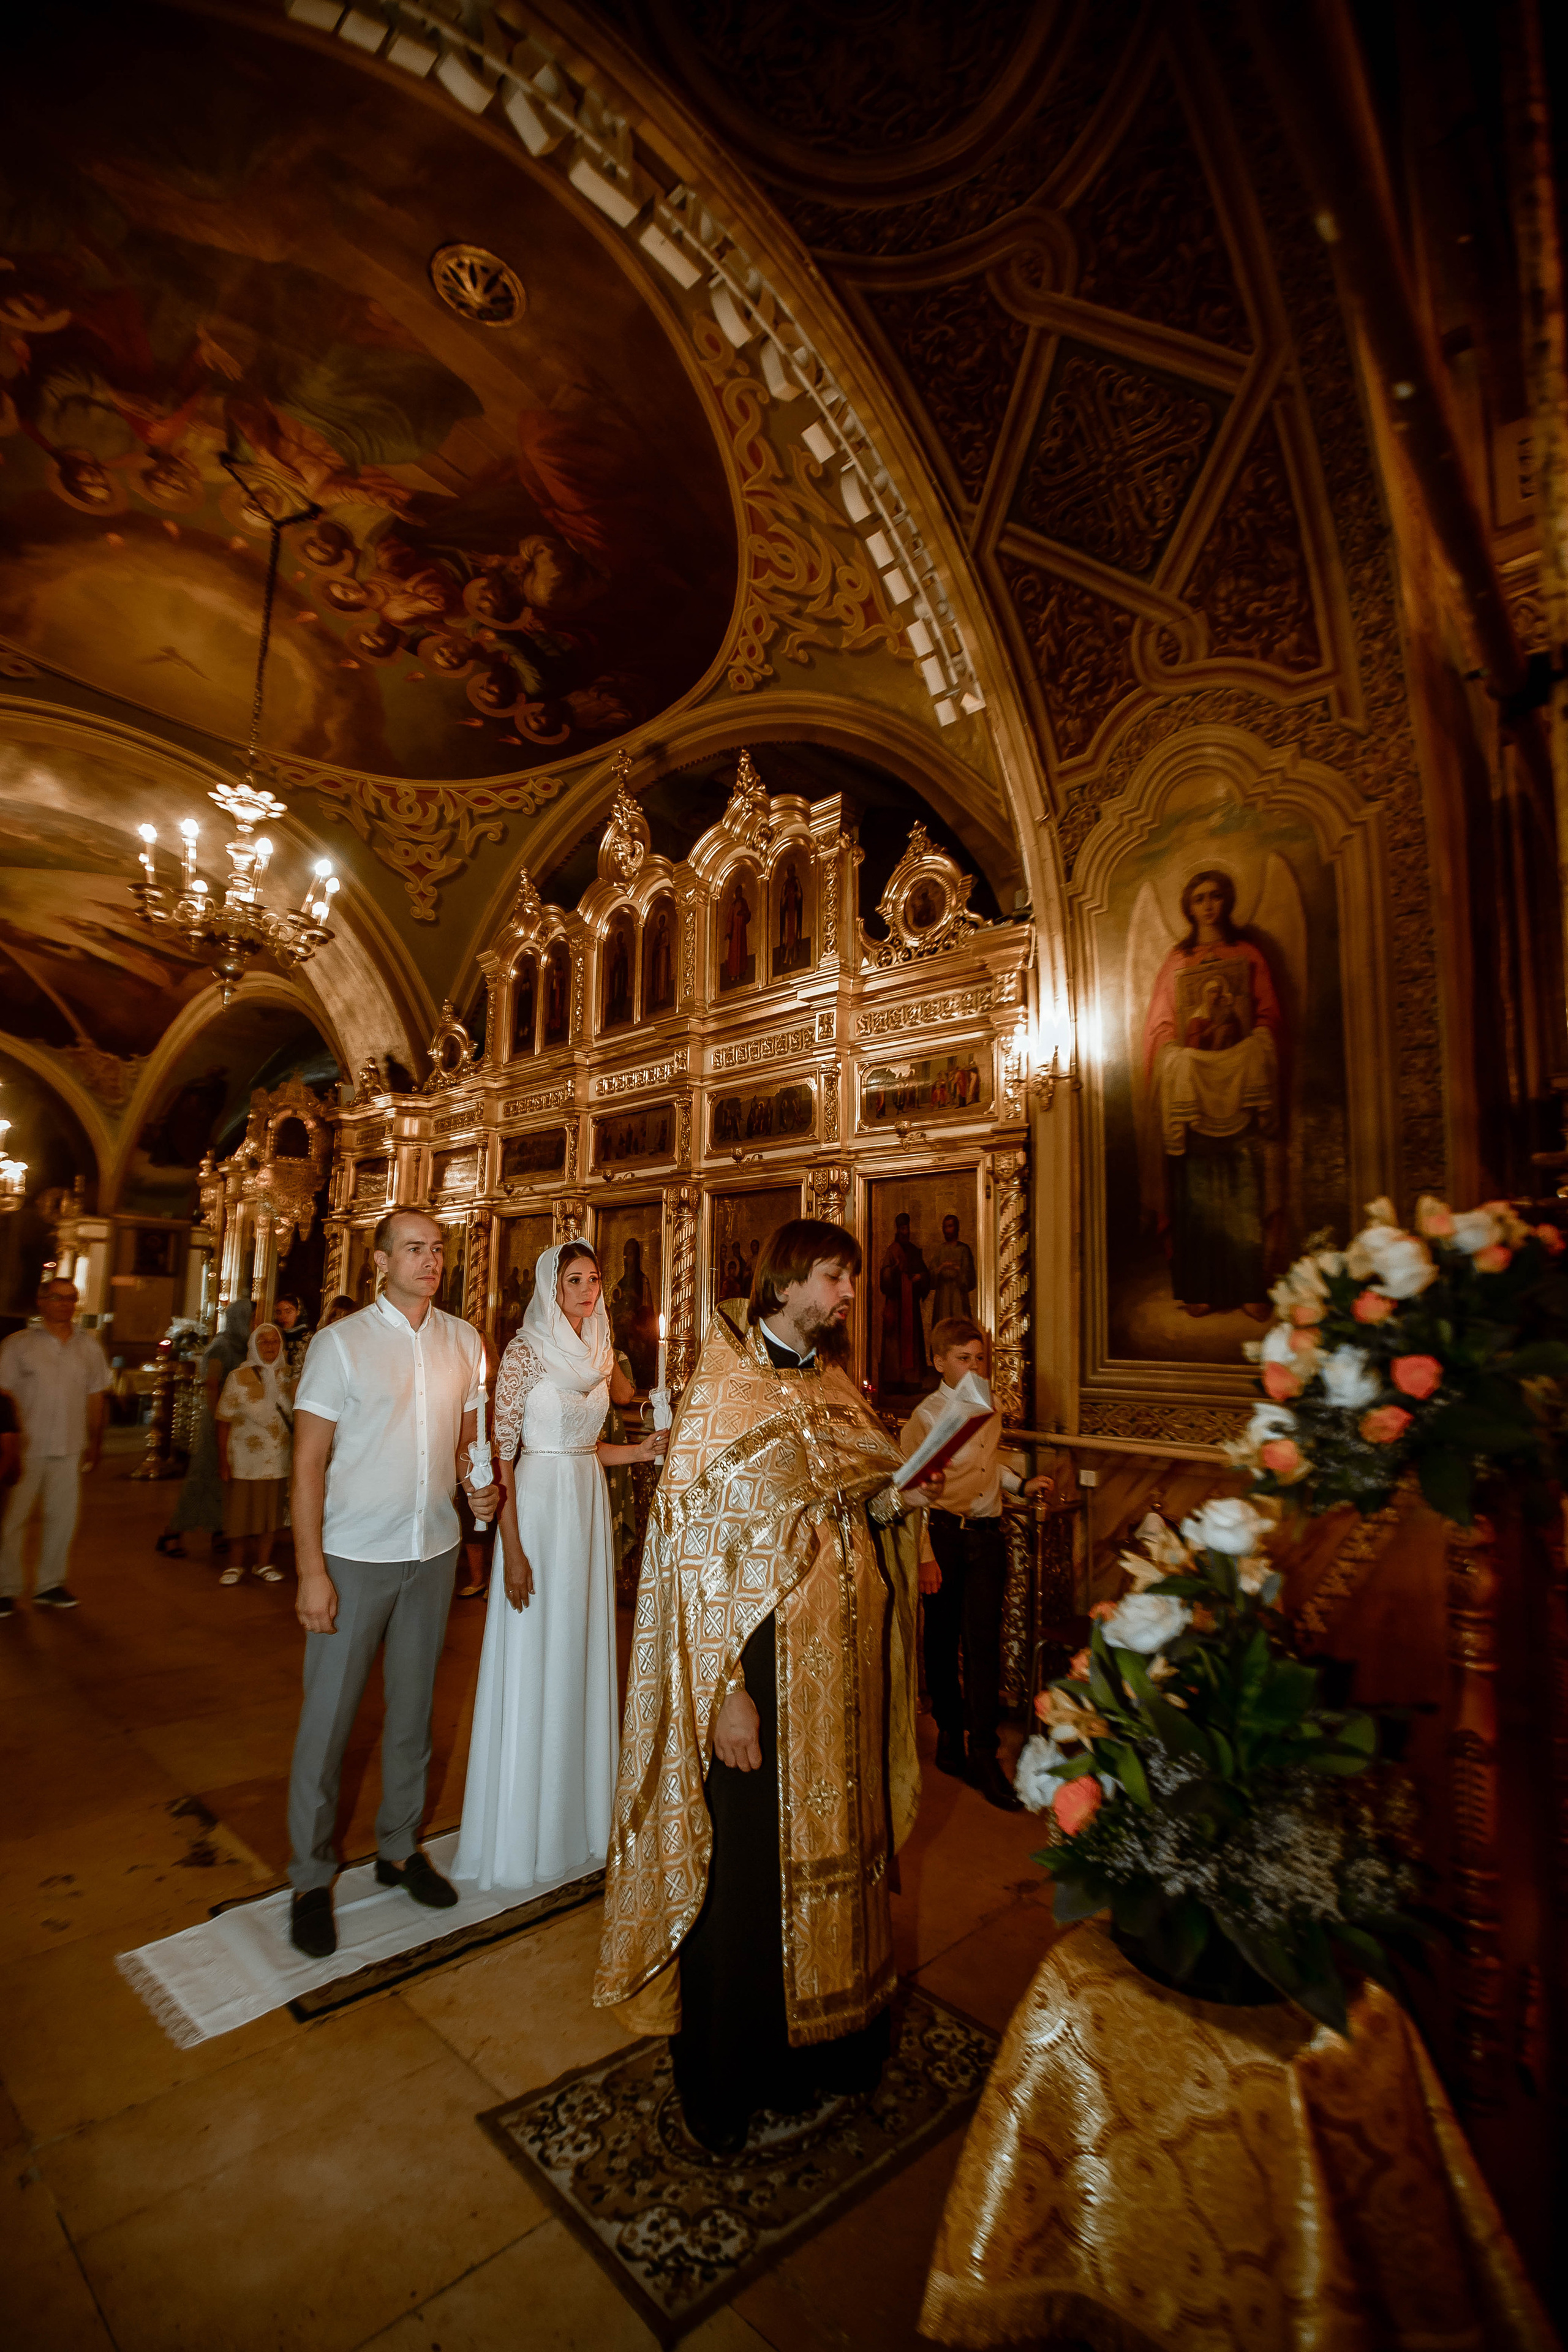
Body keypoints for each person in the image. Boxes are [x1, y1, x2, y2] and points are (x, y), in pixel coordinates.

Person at [595, 1218, 941, 2155]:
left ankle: (834, 2054)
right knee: (747, 1887)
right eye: (833, 1278)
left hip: (843, 1675)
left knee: (845, 1864)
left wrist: (893, 1497)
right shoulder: (724, 1392)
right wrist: (727, 1695)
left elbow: (851, 1490)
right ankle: (732, 2082)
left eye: (849, 1281)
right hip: (766, 1685)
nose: (844, 1297)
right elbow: (697, 1565)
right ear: (787, 1280)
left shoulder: (832, 1382)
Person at [284, 1208, 496, 1958]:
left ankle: (400, 1849)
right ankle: (311, 1878)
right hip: (353, 1554)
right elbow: (308, 1462)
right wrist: (311, 1571)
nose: (430, 1260)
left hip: (431, 1549)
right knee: (331, 1721)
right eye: (414, 1249)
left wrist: (480, 1490)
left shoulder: (463, 1341)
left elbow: (471, 1444)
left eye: (437, 1250)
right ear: (379, 1261)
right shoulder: (341, 1346)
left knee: (413, 1712)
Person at [454, 1244, 662, 1894]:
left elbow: (586, 1446)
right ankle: (524, 1828)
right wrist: (510, 1550)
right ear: (551, 1286)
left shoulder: (598, 1355)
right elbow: (507, 1456)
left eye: (594, 1279)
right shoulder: (524, 1354)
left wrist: (643, 1449)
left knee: (579, 1651)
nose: (587, 1290)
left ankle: (578, 1816)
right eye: (574, 1280)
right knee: (537, 1647)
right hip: (537, 1511)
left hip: (584, 1510)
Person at [902, 1317, 1050, 1811]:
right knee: (942, 1643)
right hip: (943, 1538)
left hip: (987, 1539)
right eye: (964, 1358)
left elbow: (987, 1464)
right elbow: (912, 1492)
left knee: (984, 1644)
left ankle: (985, 1753)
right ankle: (949, 1732)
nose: (974, 1366)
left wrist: (1018, 1486)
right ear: (939, 1361)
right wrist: (924, 1558)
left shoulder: (986, 1406)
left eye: (980, 1358)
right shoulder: (925, 1417)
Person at [0, 1278, 110, 1618]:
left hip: (70, 1443)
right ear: (41, 1301)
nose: (65, 1304)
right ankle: (6, 1588)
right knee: (13, 1519)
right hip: (26, 1446)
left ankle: (50, 1585)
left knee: (62, 1517)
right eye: (57, 1298)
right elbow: (3, 1397)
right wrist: (7, 1442)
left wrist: (96, 1440)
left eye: (71, 1298)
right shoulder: (18, 1345)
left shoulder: (88, 1346)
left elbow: (96, 1395)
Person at [156, 1299, 251, 1561]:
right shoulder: (221, 1346)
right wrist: (221, 1417)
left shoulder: (242, 1345)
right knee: (201, 1478)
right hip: (218, 1421)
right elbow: (212, 1385)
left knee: (224, 1480)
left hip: (235, 1421)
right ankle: (172, 1533)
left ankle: (219, 1530)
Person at [214, 1322, 293, 1586]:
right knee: (240, 1513)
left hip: (279, 1459)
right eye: (264, 1342)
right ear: (254, 1346)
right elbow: (223, 1420)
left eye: (275, 1342)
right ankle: (235, 1564)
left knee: (270, 1513)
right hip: (244, 1459)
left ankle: (263, 1562)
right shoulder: (238, 1377)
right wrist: (223, 1459)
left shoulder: (290, 1377)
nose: (270, 1347)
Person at [878, 1212, 931, 1392]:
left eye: (907, 1228)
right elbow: (884, 1276)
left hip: (910, 1306)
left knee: (912, 1343)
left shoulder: (914, 1251)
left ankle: (912, 1381)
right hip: (896, 1303)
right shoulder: (892, 1250)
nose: (905, 1231)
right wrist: (895, 1270)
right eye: (902, 1228)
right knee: (894, 1345)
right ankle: (893, 1381)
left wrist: (920, 1278)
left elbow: (924, 1274)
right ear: (898, 1230)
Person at [928, 1216, 977, 1326]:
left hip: (958, 1299)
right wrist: (941, 1268)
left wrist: (958, 1270)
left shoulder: (964, 1250)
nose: (947, 1230)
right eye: (945, 1227)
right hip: (943, 1300)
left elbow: (970, 1280)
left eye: (950, 1226)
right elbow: (931, 1277)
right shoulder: (940, 1250)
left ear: (956, 1228)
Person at [273, 1293, 312, 1378]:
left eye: (288, 1312)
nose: (283, 1316)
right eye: (279, 1312)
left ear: (298, 1312)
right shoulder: (274, 1336)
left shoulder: (308, 1338)